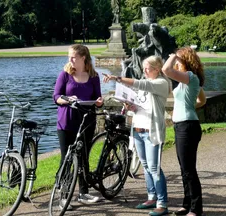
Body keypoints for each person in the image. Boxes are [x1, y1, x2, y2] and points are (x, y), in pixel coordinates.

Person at [103, 55, 171, 216]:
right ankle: (151, 197)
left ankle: (162, 203)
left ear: (157, 69)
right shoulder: (146, 84)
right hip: (139, 129)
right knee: (146, 166)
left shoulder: (161, 83)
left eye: (148, 68)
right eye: (144, 68)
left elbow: (143, 84)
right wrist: (131, 106)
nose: (145, 71)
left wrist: (118, 78)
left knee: (154, 168)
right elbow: (141, 105)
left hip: (151, 131)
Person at [53, 44, 104, 210]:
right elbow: (56, 97)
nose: (70, 60)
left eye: (73, 57)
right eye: (69, 57)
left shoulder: (94, 76)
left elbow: (98, 99)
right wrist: (67, 99)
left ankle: (83, 193)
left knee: (83, 157)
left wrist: (99, 102)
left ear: (83, 57)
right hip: (66, 121)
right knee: (66, 157)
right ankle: (63, 195)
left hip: (86, 121)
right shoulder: (65, 74)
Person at [162, 47, 206, 216]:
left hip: (188, 127)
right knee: (184, 169)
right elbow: (202, 100)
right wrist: (187, 107)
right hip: (183, 125)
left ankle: (196, 209)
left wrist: (173, 56)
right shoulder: (187, 81)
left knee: (189, 170)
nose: (176, 62)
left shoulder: (190, 77)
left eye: (179, 60)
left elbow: (166, 70)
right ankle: (187, 205)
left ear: (185, 61)